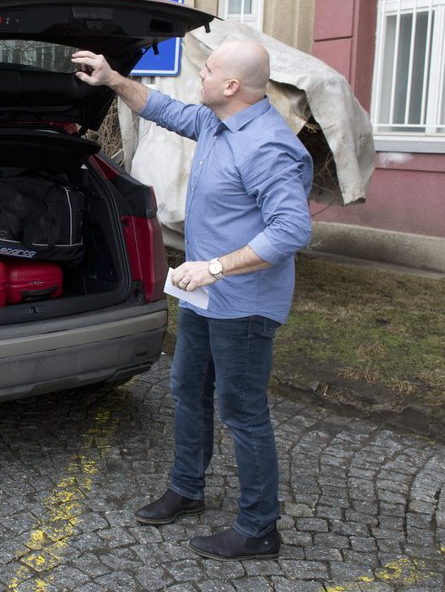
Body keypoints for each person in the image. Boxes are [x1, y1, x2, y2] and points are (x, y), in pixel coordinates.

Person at [72, 39, 312, 561]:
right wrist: (112, 79)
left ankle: (258, 527)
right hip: (204, 297)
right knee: (186, 389)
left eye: (210, 69)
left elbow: (292, 229)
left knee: (243, 412)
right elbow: (163, 108)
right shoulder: (215, 122)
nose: (200, 74)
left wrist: (217, 267)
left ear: (232, 87)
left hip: (244, 303)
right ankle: (187, 488)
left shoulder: (268, 146)